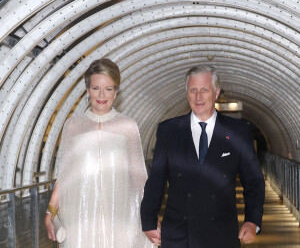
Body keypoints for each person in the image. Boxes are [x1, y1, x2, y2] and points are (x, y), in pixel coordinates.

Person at [141, 64, 265, 248]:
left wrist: (252, 220)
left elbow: (254, 181)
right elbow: (156, 179)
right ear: (187, 93)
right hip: (179, 234)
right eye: (193, 90)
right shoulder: (169, 130)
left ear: (216, 92)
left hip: (221, 234)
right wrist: (149, 220)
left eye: (204, 90)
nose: (198, 97)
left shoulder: (237, 131)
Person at [45, 58, 154, 248]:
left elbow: (139, 179)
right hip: (81, 221)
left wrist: (150, 218)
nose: (102, 95)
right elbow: (65, 176)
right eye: (96, 88)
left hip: (119, 221)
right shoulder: (73, 126)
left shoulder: (128, 126)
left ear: (116, 92)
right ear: (87, 90)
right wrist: (49, 214)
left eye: (108, 88)